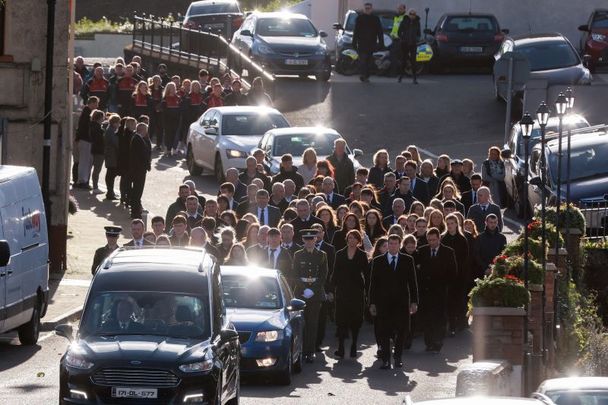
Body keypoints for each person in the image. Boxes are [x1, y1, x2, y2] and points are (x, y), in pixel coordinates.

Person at [369, 234, 418, 369]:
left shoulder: (408, 260)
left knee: (402, 331)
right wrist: (372, 303)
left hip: (401, 302)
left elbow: (412, 283)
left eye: (396, 244)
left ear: (400, 245)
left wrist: (414, 302)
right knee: (384, 331)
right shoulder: (378, 261)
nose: (393, 246)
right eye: (390, 243)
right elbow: (373, 284)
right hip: (383, 302)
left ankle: (397, 357)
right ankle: (385, 359)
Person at [416, 228, 457, 352]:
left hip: (441, 290)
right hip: (426, 290)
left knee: (439, 317)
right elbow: (418, 270)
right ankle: (429, 342)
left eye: (434, 240)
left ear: (439, 238)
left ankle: (438, 340)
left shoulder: (448, 252)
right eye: (429, 240)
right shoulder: (422, 251)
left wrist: (446, 285)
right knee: (427, 317)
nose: (431, 242)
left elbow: (453, 272)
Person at [329, 230, 369, 358]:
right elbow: (335, 273)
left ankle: (354, 345)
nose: (352, 240)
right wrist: (331, 290)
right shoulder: (340, 254)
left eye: (354, 238)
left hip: (357, 291)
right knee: (341, 320)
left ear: (358, 241)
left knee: (355, 321)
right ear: (347, 239)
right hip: (342, 291)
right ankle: (341, 347)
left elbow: (367, 274)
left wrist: (368, 292)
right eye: (350, 238)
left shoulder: (362, 255)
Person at [292, 229, 329, 363]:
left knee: (312, 323)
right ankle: (300, 349)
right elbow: (295, 274)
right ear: (303, 240)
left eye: (311, 239)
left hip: (316, 293)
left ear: (315, 239)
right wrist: (303, 288)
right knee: (300, 323)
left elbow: (324, 274)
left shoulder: (322, 255)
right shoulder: (298, 254)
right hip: (301, 293)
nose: (309, 242)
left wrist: (313, 289)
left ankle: (310, 351)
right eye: (306, 239)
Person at [441, 214, 469, 336]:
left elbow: (465, 258)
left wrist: (460, 272)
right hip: (447, 275)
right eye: (448, 224)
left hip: (460, 275)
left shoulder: (462, 240)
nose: (450, 226)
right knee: (449, 302)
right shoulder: (444, 238)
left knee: (460, 300)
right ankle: (451, 325)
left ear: (457, 224)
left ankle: (461, 323)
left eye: (452, 223)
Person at [352, 2, 384, 82]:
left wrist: (381, 43)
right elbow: (356, 31)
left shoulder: (375, 19)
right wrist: (354, 42)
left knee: (369, 62)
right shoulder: (360, 18)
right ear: (364, 9)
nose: (367, 10)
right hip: (362, 43)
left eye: (369, 8)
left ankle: (366, 75)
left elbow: (380, 32)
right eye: (366, 8)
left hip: (371, 44)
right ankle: (363, 75)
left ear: (371, 9)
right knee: (363, 61)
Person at [75, 97, 99, 189]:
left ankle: (84, 181)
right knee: (84, 162)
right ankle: (82, 181)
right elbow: (83, 127)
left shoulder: (86, 112)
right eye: (96, 104)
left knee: (86, 162)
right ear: (91, 103)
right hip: (85, 140)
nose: (97, 106)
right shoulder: (87, 113)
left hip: (85, 140)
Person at [128, 123, 151, 219]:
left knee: (137, 191)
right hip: (138, 170)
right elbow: (142, 155)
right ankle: (135, 211)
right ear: (143, 130)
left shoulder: (137, 138)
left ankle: (136, 210)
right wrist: (146, 165)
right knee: (137, 191)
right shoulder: (138, 139)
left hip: (138, 169)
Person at [473, 214, 507, 278]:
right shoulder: (479, 238)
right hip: (482, 271)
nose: (493, 224)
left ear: (497, 222)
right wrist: (485, 268)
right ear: (486, 222)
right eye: (491, 222)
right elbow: (476, 255)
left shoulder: (502, 238)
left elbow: (504, 253)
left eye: (495, 222)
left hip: (497, 270)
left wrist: (496, 268)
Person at [397, 8, 421, 84]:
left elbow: (419, 33)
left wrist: (417, 39)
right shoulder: (404, 21)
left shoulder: (417, 22)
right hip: (405, 44)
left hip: (413, 44)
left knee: (413, 61)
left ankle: (414, 78)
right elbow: (399, 32)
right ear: (408, 14)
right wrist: (402, 39)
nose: (412, 15)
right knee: (404, 60)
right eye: (411, 14)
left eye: (414, 14)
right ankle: (400, 76)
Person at [103, 114, 121, 200]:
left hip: (110, 154)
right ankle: (110, 192)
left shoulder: (110, 129)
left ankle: (111, 192)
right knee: (111, 174)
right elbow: (115, 142)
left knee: (110, 173)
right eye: (118, 123)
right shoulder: (111, 131)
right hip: (111, 155)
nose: (119, 125)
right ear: (114, 123)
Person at [160, 82, 181, 155]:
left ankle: (172, 148)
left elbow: (180, 108)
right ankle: (167, 148)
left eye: (174, 88)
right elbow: (163, 109)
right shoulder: (165, 99)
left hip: (176, 119)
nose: (173, 89)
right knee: (167, 134)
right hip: (167, 119)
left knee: (173, 134)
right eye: (171, 88)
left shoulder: (178, 98)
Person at [89, 109, 106, 194]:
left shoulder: (92, 126)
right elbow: (101, 140)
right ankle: (95, 187)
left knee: (90, 168)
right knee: (97, 169)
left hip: (93, 149)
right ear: (100, 118)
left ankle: (90, 184)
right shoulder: (98, 128)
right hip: (99, 151)